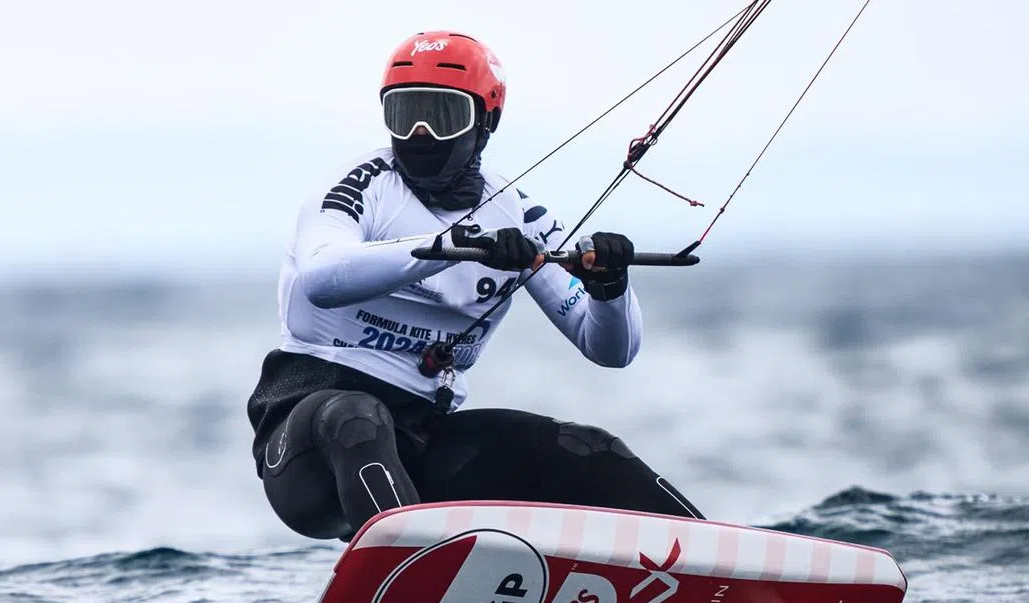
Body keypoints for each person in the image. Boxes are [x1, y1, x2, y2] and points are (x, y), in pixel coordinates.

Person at [247, 29, 704, 542]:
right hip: (310, 442)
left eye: (441, 116)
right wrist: (444, 247)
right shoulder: (360, 187)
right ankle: (412, 579)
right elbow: (320, 277)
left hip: (422, 443)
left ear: (485, 122)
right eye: (404, 113)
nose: (419, 134)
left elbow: (611, 350)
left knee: (589, 450)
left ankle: (729, 566)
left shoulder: (518, 214)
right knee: (359, 418)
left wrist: (609, 288)